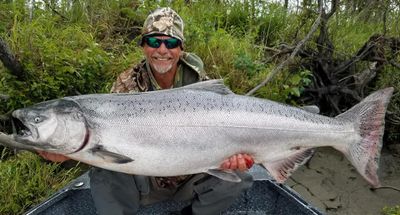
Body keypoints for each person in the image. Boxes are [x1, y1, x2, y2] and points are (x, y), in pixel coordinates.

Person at [39, 7, 255, 215]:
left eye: (171, 42)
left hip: (193, 177)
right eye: (154, 41)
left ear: (181, 48)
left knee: (240, 174)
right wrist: (68, 154)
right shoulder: (127, 85)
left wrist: (233, 158)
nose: (162, 50)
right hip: (144, 176)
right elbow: (103, 144)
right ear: (143, 45)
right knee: (104, 171)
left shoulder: (203, 85)